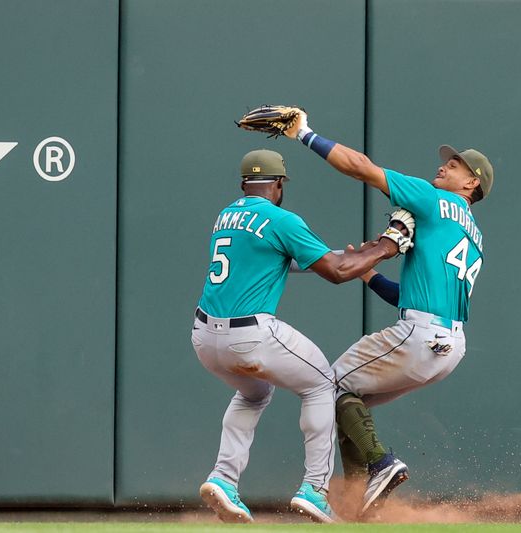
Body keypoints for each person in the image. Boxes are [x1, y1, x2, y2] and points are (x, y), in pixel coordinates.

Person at [281, 112, 494, 514]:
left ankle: (382, 463)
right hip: (449, 344)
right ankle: (361, 504)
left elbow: (361, 167)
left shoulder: (435, 200)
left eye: (456, 164)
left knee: (327, 385)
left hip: (421, 334)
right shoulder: (475, 235)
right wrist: (371, 276)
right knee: (347, 397)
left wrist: (305, 134)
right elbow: (412, 294)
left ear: (471, 183)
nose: (445, 164)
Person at [192, 149, 407, 524]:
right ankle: (315, 490)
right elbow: (337, 271)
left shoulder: (225, 215)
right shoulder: (282, 219)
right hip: (250, 334)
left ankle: (224, 479)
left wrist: (357, 256)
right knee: (323, 384)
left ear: (244, 183)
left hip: (204, 339)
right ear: (279, 184)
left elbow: (280, 258)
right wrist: (387, 246)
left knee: (253, 392)